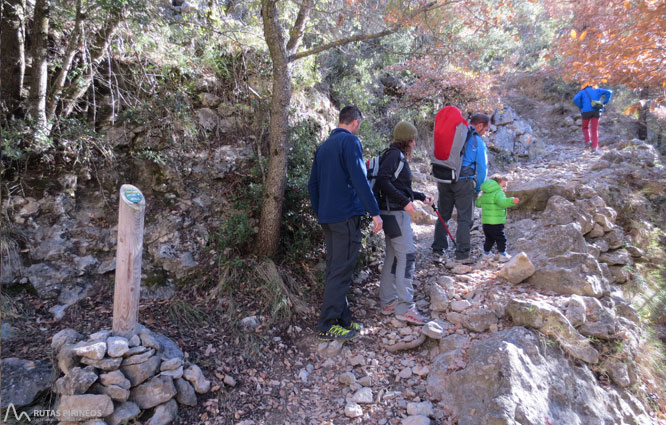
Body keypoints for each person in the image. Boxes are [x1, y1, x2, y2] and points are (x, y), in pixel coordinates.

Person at [308, 105, 383, 342]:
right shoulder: (350, 142)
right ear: (355, 122)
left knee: (335, 267)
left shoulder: (323, 147)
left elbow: (313, 185)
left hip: (329, 217)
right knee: (341, 269)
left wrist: (322, 212)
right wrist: (375, 212)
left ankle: (343, 318)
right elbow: (359, 178)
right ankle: (327, 325)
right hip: (345, 216)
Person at [374, 121, 434, 325]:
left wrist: (418, 196)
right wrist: (406, 203)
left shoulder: (391, 154)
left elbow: (396, 184)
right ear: (407, 141)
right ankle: (405, 307)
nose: (415, 144)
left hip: (388, 212)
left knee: (393, 256)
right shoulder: (395, 156)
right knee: (407, 258)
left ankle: (388, 301)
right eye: (413, 140)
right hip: (395, 214)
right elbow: (383, 181)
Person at [431, 113, 489, 262]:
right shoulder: (477, 141)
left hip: (444, 179)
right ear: (480, 125)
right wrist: (477, 189)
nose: (485, 133)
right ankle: (462, 255)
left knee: (443, 215)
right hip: (464, 182)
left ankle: (438, 251)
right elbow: (482, 169)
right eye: (486, 129)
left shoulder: (454, 133)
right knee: (464, 219)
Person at [475, 174, 519, 262]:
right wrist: (512, 201)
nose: (505, 188)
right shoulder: (498, 193)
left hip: (486, 223)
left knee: (489, 239)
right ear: (496, 185)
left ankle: (486, 253)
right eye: (503, 186)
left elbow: (478, 204)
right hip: (496, 222)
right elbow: (502, 203)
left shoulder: (485, 193)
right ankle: (502, 254)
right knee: (501, 238)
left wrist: (477, 198)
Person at [573, 85, 613, 154]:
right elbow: (609, 92)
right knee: (594, 129)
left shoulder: (582, 92)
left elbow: (575, 99)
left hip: (585, 112)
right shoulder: (597, 90)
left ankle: (588, 141)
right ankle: (594, 147)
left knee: (585, 127)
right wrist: (605, 102)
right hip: (596, 111)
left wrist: (581, 106)